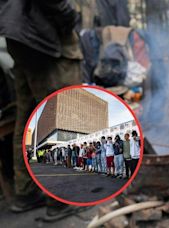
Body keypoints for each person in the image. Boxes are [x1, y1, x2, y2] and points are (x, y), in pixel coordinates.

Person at [0, 0, 87, 219]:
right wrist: (68, 15)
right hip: (44, 36)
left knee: (29, 114)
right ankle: (60, 198)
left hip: (21, 34)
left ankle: (26, 192)